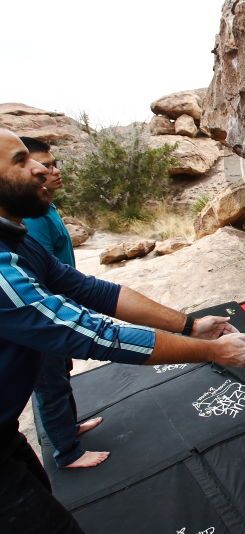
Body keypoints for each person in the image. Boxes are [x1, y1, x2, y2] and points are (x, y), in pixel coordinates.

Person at [0, 128, 245, 533]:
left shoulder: (18, 239)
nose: (41, 169)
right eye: (21, 161)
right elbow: (91, 334)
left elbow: (90, 289)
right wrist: (212, 352)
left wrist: (190, 325)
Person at [19, 137, 104, 469]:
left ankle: (70, 428)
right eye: (44, 166)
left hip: (61, 307)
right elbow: (38, 277)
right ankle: (67, 452)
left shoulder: (47, 207)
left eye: (54, 164)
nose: (52, 171)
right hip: (47, 316)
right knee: (50, 382)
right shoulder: (34, 220)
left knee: (60, 374)